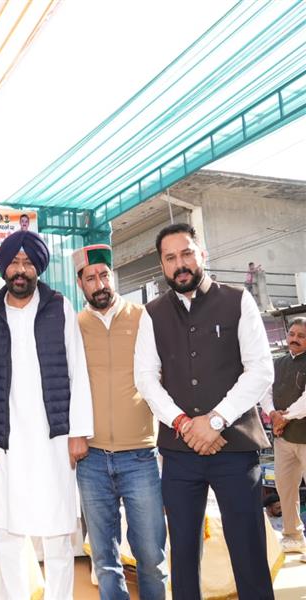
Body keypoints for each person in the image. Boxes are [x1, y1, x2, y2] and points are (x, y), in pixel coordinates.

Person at [134, 222, 274, 599]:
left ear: (202, 254)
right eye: (170, 258)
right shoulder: (152, 314)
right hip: (180, 454)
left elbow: (261, 369)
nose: (180, 264)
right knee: (182, 556)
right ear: (162, 265)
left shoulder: (238, 300)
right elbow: (145, 378)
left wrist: (215, 420)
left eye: (186, 253)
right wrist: (183, 423)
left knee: (249, 552)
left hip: (236, 450)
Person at [0, 230, 93, 599]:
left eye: (28, 263)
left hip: (54, 438)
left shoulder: (58, 306)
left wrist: (79, 431)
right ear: (4, 268)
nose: (21, 270)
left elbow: (77, 370)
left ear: (39, 268)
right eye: (14, 262)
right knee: (8, 532)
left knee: (57, 532)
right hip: (6, 438)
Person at [73, 244, 167, 599]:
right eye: (90, 278)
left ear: (113, 276)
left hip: (140, 455)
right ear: (80, 283)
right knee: (104, 560)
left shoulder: (144, 318)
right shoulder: (74, 326)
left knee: (151, 556)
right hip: (92, 458)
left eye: (104, 275)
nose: (99, 284)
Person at [260, 317, 306, 554]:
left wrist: (282, 418)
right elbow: (265, 391)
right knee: (285, 489)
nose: (295, 339)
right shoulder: (277, 363)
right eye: (292, 334)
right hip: (283, 439)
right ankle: (292, 537)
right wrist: (272, 413)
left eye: (301, 336)